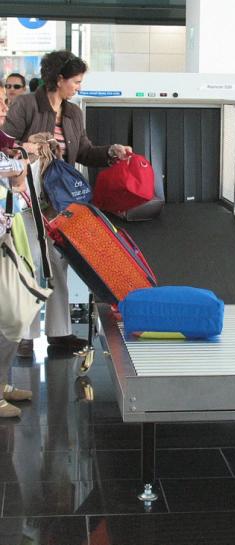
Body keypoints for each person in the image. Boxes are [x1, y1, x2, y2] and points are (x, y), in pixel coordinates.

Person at [3, 50, 132, 357]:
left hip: (59, 198)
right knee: (32, 261)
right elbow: (4, 144)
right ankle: (25, 334)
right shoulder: (26, 105)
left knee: (59, 261)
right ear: (58, 79)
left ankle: (59, 333)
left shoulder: (73, 112)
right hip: (28, 194)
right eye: (75, 81)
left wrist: (112, 152)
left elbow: (84, 151)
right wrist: (28, 146)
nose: (78, 86)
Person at [0, 83, 34, 418]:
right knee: (7, 314)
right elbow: (14, 171)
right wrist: (20, 161)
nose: (3, 108)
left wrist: (19, 161)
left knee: (12, 314)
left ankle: (1, 383)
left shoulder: (3, 143)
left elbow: (18, 179)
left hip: (7, 236)